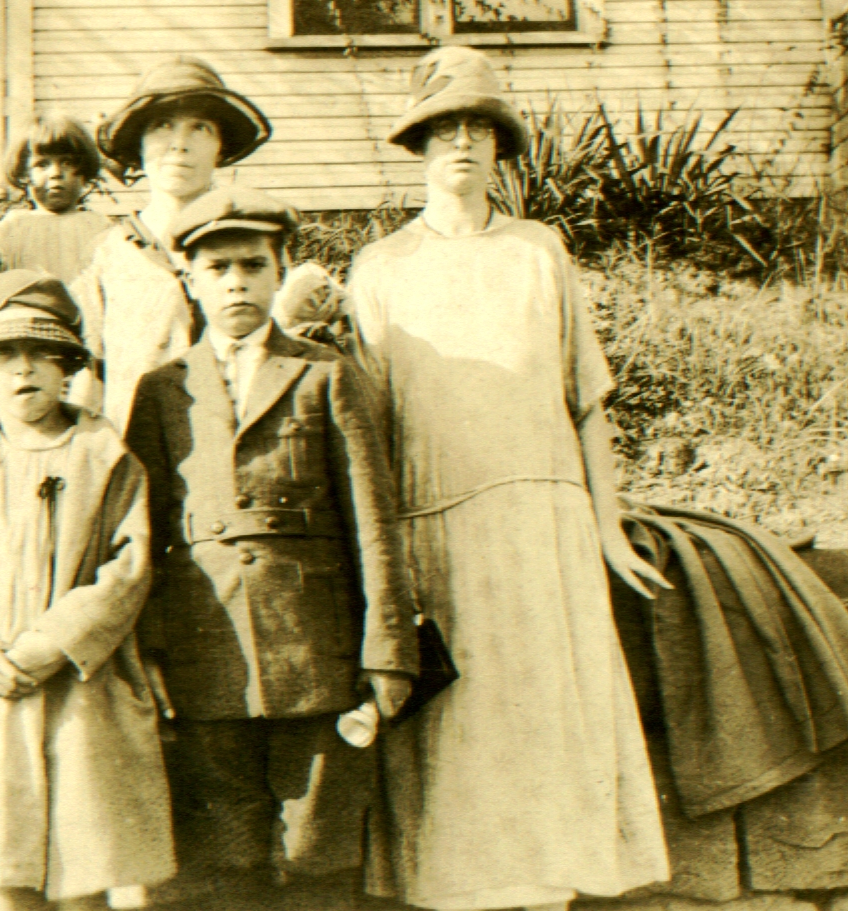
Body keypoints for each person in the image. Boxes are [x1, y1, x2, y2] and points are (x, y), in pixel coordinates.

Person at [346, 47, 674, 911]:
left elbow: (586, 401)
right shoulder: (379, 269)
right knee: (461, 735)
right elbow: (367, 432)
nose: (461, 143)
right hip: (436, 528)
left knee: (547, 719)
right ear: (417, 146)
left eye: (479, 129)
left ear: (500, 148)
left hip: (546, 524)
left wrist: (605, 527)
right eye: (443, 128)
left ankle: (550, 894)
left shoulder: (539, 251)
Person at [124, 187, 418, 911]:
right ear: (191, 280)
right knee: (227, 854)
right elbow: (145, 534)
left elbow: (373, 522)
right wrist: (153, 653)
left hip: (314, 654)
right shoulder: (162, 390)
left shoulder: (326, 374)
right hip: (206, 653)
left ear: (279, 271)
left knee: (317, 851)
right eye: (217, 267)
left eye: (253, 265)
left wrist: (386, 651)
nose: (236, 283)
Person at [0, 271, 174, 911]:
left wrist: (51, 643)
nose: (24, 371)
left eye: (43, 356)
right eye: (4, 355)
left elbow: (127, 570)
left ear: (69, 368)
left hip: (76, 684)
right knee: (1, 868)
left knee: (83, 859)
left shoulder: (103, 454)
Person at [70, 55, 271, 430]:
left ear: (220, 147)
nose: (179, 144)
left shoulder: (251, 247)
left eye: (200, 128)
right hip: (136, 455)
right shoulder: (108, 255)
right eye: (162, 126)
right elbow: (88, 374)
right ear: (140, 145)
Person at [0, 114, 112, 284]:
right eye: (42, 165)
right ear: (25, 174)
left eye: (67, 163)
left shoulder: (98, 227)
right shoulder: (15, 225)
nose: (55, 174)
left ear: (84, 172)